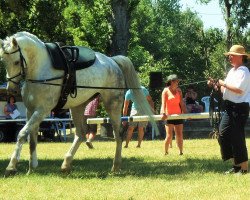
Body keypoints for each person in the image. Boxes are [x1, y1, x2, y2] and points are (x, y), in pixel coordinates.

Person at [207, 44, 250, 175]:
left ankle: (243, 168)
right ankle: (236, 165)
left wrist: (223, 83)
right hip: (229, 107)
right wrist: (215, 85)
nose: (229, 57)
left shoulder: (244, 71)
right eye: (229, 55)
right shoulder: (232, 71)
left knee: (237, 137)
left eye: (232, 55)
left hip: (239, 108)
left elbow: (238, 89)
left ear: (240, 57)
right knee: (223, 134)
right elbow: (224, 89)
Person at [161, 74, 187, 155]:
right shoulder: (165, 91)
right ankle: (166, 151)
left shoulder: (179, 91)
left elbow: (182, 103)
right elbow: (163, 104)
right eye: (177, 81)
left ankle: (181, 151)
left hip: (178, 115)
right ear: (172, 82)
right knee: (169, 135)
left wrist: (186, 114)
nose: (178, 82)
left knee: (179, 134)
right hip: (168, 116)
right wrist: (163, 113)